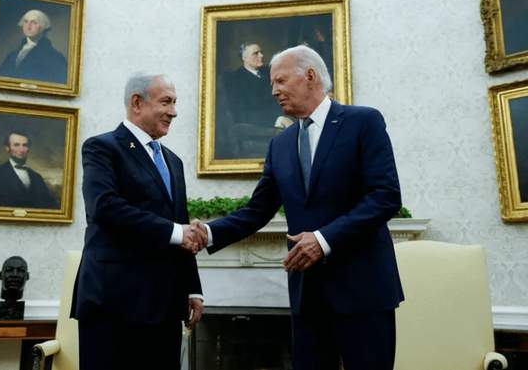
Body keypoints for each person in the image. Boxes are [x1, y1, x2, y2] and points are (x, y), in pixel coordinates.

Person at [193, 45, 404, 370]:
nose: (274, 91)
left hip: (364, 291)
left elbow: (385, 195)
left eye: (280, 81)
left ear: (310, 76)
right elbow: (257, 211)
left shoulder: (363, 122)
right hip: (308, 297)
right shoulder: (280, 144)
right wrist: (207, 233)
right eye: (272, 84)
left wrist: (323, 240)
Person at [71, 73, 206, 370]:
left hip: (165, 305)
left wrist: (192, 288)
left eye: (175, 103)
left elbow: (181, 223)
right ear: (137, 103)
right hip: (114, 302)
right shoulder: (102, 147)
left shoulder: (173, 161)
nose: (174, 112)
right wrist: (175, 231)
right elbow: (104, 207)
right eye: (166, 102)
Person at [216, 42, 286, 159]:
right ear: (244, 58)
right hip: (261, 127)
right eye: (256, 53)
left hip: (282, 120)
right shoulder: (235, 80)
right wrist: (277, 119)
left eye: (261, 52)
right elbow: (242, 114)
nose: (261, 55)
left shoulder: (267, 74)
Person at [0, 131, 59, 209]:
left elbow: (51, 207)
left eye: (25, 145)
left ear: (28, 149)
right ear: (7, 148)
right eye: (16, 145)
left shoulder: (37, 178)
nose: (21, 150)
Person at [0, 9, 67, 84]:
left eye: (34, 23)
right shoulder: (13, 55)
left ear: (43, 27)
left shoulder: (54, 57)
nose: (28, 26)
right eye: (26, 22)